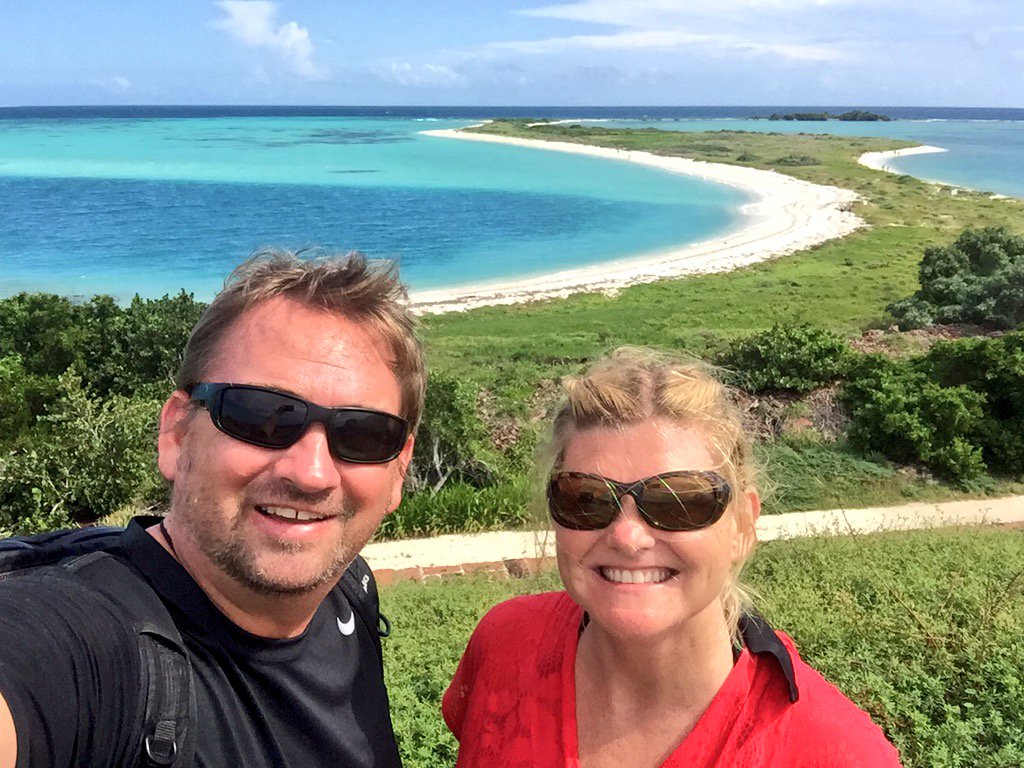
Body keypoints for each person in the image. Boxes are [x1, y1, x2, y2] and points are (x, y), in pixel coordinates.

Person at [0, 251, 425, 767]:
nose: (312, 473)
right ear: (177, 433)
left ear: (399, 467)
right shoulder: (88, 646)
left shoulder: (349, 594)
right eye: (262, 416)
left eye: (362, 434)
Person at [443, 348, 902, 767]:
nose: (627, 537)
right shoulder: (505, 644)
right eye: (586, 498)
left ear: (743, 524)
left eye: (679, 502)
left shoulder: (833, 753)